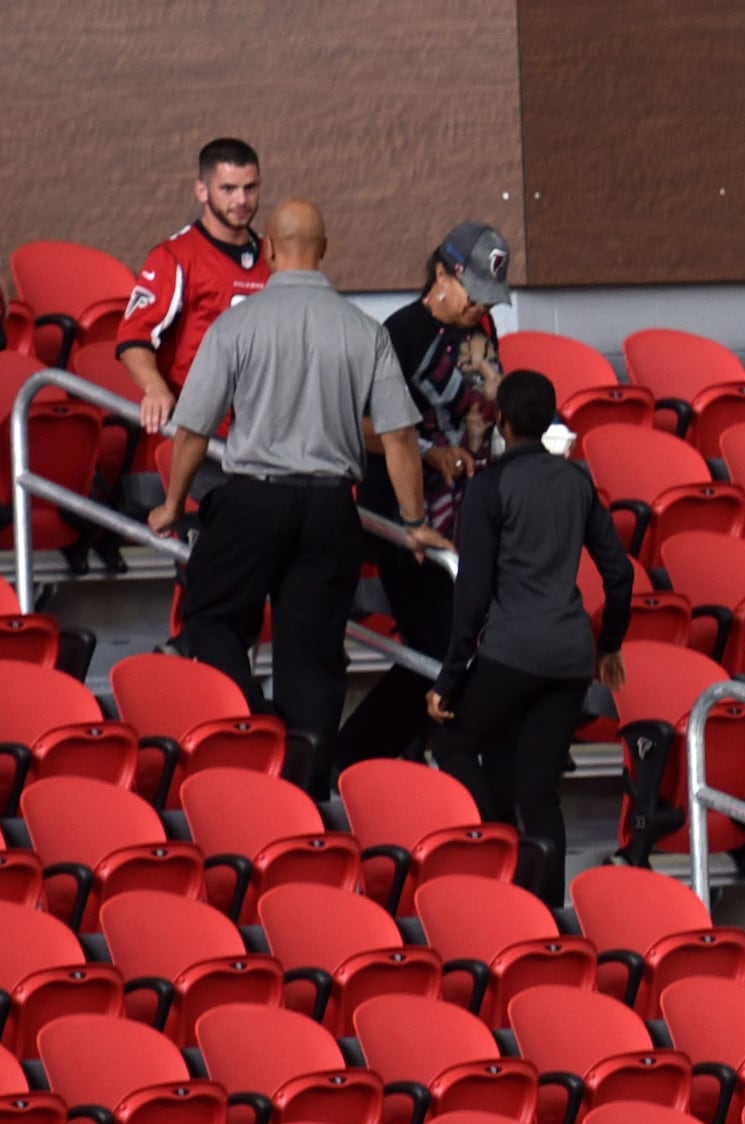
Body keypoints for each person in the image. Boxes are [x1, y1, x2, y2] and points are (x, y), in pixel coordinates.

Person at [146, 197, 436, 795]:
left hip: (254, 496)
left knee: (211, 613)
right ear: (325, 250)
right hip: (333, 506)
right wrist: (413, 521)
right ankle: (305, 782)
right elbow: (400, 437)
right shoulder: (364, 331)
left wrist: (173, 504)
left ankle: (256, 726)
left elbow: (194, 429)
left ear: (269, 251)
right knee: (313, 653)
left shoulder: (237, 324)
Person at [425, 371, 631, 901]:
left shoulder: (490, 486)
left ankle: (494, 845)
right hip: (570, 656)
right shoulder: (577, 481)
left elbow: (472, 592)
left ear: (502, 421)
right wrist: (610, 644)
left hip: (514, 648)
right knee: (539, 792)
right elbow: (619, 573)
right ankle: (549, 913)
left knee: (451, 738)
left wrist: (449, 678)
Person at [338, 221, 514, 774]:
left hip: (466, 514)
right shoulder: (400, 333)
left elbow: (487, 406)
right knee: (437, 648)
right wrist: (427, 452)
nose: (479, 309)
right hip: (404, 517)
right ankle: (354, 755)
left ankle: (414, 750)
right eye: (473, 294)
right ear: (442, 274)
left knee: (456, 648)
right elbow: (360, 424)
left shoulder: (480, 330)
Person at [116, 138, 268, 435]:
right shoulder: (174, 257)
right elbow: (133, 337)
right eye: (228, 189)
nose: (241, 200)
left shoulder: (274, 255)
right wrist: (155, 387)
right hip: (196, 434)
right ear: (201, 190)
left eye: (250, 188)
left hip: (263, 431)